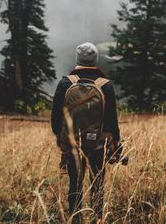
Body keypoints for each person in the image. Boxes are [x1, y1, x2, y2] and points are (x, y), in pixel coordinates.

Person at [51, 42, 120, 223]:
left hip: (73, 144)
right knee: (97, 184)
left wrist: (62, 138)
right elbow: (112, 121)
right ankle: (98, 218)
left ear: (77, 60)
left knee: (75, 184)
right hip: (98, 144)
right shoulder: (106, 85)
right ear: (96, 60)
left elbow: (55, 119)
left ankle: (75, 218)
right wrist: (116, 143)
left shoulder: (65, 83)